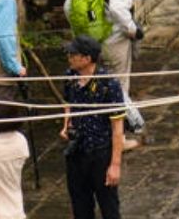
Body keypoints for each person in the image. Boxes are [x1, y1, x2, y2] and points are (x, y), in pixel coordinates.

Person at [65, 0, 145, 145]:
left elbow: (68, 7)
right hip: (114, 41)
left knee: (92, 86)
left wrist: (82, 35)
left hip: (89, 43)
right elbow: (119, 8)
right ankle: (118, 139)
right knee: (118, 88)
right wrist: (131, 29)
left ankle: (93, 131)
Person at [60, 36, 125, 219]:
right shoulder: (69, 77)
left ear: (87, 59)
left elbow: (117, 127)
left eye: (73, 54)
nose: (69, 57)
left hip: (100, 154)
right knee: (80, 206)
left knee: (109, 207)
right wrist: (67, 124)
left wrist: (115, 165)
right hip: (76, 152)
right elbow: (67, 102)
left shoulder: (108, 84)